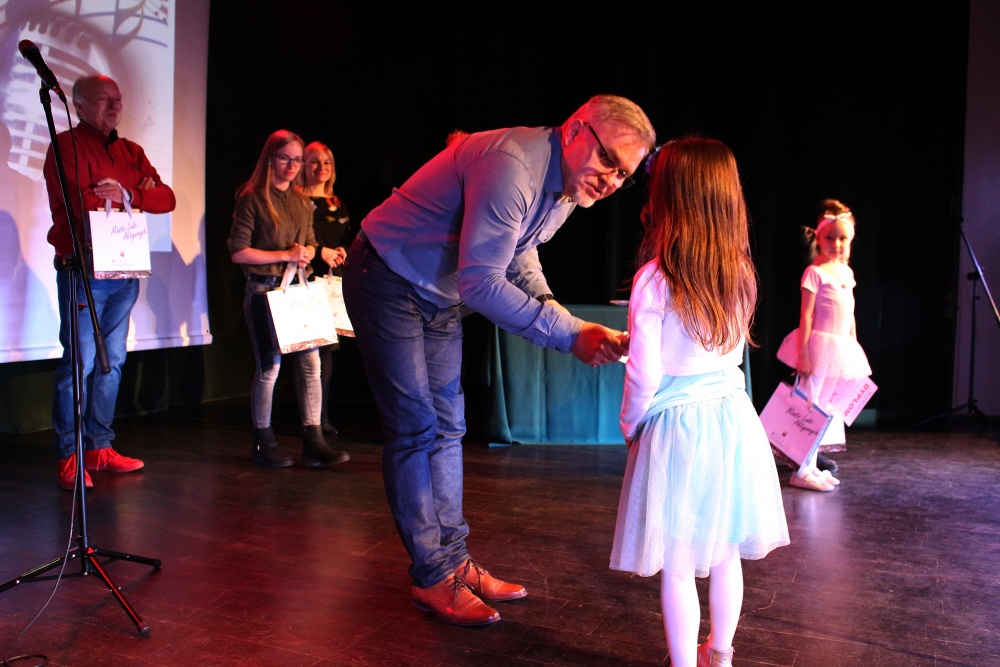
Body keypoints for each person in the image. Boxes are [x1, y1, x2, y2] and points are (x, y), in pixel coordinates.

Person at [342, 94, 655, 626]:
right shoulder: (513, 165)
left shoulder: (564, 187)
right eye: (608, 160)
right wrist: (569, 333)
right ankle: (432, 575)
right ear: (575, 129)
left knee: (448, 427)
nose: (611, 181)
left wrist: (559, 312)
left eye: (623, 175)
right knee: (416, 429)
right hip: (387, 278)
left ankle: (454, 562)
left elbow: (519, 251)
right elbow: (482, 282)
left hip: (437, 294)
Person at [610, 137, 790, 667]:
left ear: (671, 197)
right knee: (726, 549)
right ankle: (721, 654)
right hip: (733, 421)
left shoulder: (655, 279)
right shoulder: (740, 273)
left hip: (679, 430)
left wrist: (631, 425)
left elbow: (644, 373)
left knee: (680, 558)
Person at [43, 74, 176, 491]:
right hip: (84, 268)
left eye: (117, 99)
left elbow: (166, 198)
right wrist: (132, 192)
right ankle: (70, 454)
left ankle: (99, 445)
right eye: (105, 100)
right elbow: (78, 199)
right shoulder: (65, 145)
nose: (115, 106)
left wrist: (129, 194)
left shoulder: (131, 150)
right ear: (79, 105)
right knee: (79, 363)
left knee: (112, 361)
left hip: (124, 269)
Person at [227, 129, 349, 470]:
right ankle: (263, 440)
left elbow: (310, 241)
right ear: (270, 158)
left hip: (298, 289)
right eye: (285, 158)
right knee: (270, 368)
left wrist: (306, 251)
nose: (293, 166)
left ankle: (314, 439)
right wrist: (285, 253)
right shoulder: (252, 198)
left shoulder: (301, 200)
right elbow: (239, 252)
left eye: (297, 160)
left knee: (312, 364)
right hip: (264, 291)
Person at [776, 199, 871, 491]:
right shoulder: (815, 273)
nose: (836, 244)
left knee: (827, 410)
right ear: (818, 238)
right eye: (830, 238)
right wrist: (804, 354)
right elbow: (806, 315)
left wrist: (853, 348)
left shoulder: (846, 272)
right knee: (810, 408)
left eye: (842, 239)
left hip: (840, 350)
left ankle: (812, 465)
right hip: (818, 348)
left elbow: (850, 313)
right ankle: (801, 469)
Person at [297, 141, 354, 435]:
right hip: (305, 277)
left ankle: (322, 416)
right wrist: (321, 252)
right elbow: (297, 237)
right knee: (307, 349)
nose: (321, 167)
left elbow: (346, 235)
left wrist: (343, 250)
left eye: (326, 162)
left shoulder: (336, 202)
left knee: (327, 349)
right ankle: (308, 419)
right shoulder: (296, 199)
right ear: (303, 166)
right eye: (314, 162)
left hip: (331, 280)